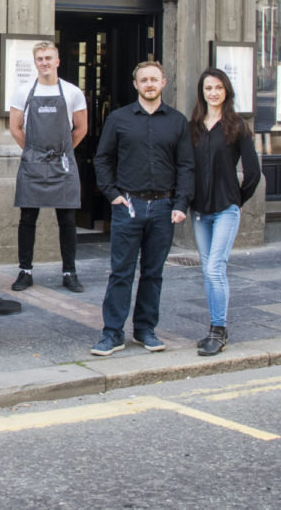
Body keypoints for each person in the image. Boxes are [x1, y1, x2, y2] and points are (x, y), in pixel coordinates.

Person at [90, 61, 194, 357]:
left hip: (164, 207)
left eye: (154, 79)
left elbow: (186, 166)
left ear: (164, 82)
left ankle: (145, 329)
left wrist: (181, 203)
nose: (149, 84)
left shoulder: (177, 121)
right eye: (143, 80)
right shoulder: (119, 119)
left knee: (153, 273)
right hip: (128, 205)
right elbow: (103, 159)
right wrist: (111, 194)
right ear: (135, 84)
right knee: (121, 272)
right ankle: (112, 333)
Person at [188, 68, 260, 357]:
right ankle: (214, 329)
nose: (213, 93)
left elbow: (253, 172)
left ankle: (219, 330)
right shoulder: (193, 126)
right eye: (208, 88)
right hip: (199, 211)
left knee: (216, 269)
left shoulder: (236, 126)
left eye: (218, 87)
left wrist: (237, 199)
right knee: (208, 270)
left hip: (226, 209)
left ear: (226, 91)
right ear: (202, 92)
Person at [8, 41, 89, 294]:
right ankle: (25, 271)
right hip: (33, 162)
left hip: (62, 164)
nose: (44, 62)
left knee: (67, 219)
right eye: (40, 58)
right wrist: (32, 151)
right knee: (27, 219)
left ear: (57, 61)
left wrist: (64, 152)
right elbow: (15, 127)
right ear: (35, 63)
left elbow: (81, 128)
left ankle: (69, 271)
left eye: (48, 58)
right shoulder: (23, 92)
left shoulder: (73, 92)